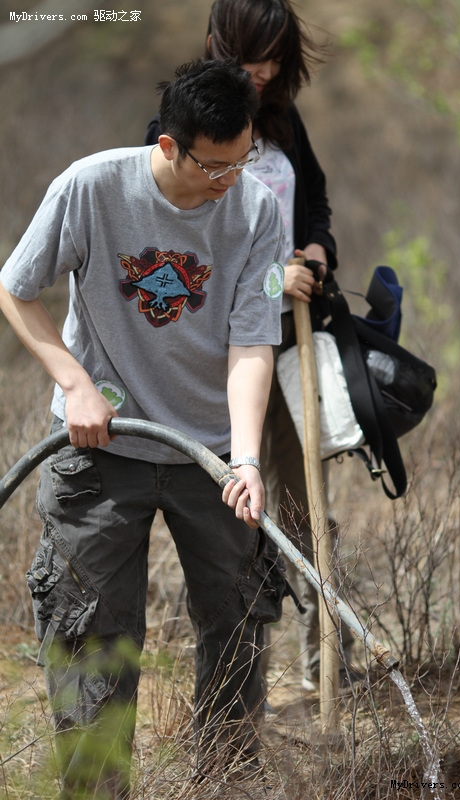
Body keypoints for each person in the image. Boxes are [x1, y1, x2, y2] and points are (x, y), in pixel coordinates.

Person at [0, 59, 287, 797]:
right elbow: (16, 288)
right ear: (168, 146)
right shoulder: (91, 187)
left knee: (237, 622)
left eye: (240, 160)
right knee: (93, 634)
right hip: (99, 448)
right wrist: (74, 384)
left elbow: (252, 345)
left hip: (209, 454)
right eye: (212, 165)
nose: (228, 179)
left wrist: (246, 460)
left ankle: (224, 780)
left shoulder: (256, 210)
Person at [145, 0, 355, 693]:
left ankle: (326, 665)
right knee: (231, 513)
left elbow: (315, 202)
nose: (260, 72)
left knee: (301, 502)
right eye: (246, 58)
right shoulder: (179, 127)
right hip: (213, 361)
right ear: (215, 48)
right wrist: (269, 274)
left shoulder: (284, 119)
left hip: (288, 348)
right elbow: (175, 252)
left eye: (270, 57)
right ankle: (237, 678)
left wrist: (315, 255)